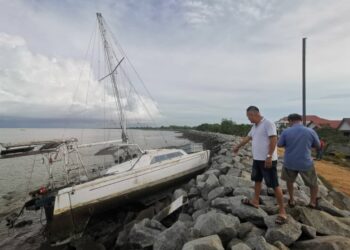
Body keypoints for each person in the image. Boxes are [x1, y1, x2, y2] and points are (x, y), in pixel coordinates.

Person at [233, 106, 287, 224]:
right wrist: (237, 146)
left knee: (274, 184)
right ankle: (255, 201)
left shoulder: (268, 123)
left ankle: (282, 212)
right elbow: (247, 138)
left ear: (254, 114)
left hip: (267, 160)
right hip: (257, 159)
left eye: (249, 117)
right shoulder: (254, 126)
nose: (248, 119)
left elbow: (273, 140)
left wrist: (269, 156)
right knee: (257, 180)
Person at [277, 113, 321, 208]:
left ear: (290, 121)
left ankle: (292, 200)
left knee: (289, 181)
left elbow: (279, 144)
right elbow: (318, 145)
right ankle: (312, 202)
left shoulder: (286, 132)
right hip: (305, 162)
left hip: (290, 162)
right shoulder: (310, 131)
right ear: (300, 120)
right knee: (313, 183)